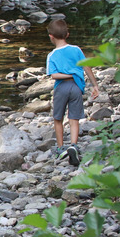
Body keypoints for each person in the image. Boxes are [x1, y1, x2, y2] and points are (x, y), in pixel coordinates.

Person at [46, 19, 99, 165]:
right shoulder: (76, 49)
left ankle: (61, 148)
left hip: (61, 88)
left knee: (58, 118)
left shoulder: (52, 55)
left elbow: (53, 75)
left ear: (51, 36)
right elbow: (87, 67)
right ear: (67, 34)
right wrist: (95, 85)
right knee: (73, 118)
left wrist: (68, 74)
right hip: (76, 87)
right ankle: (74, 145)